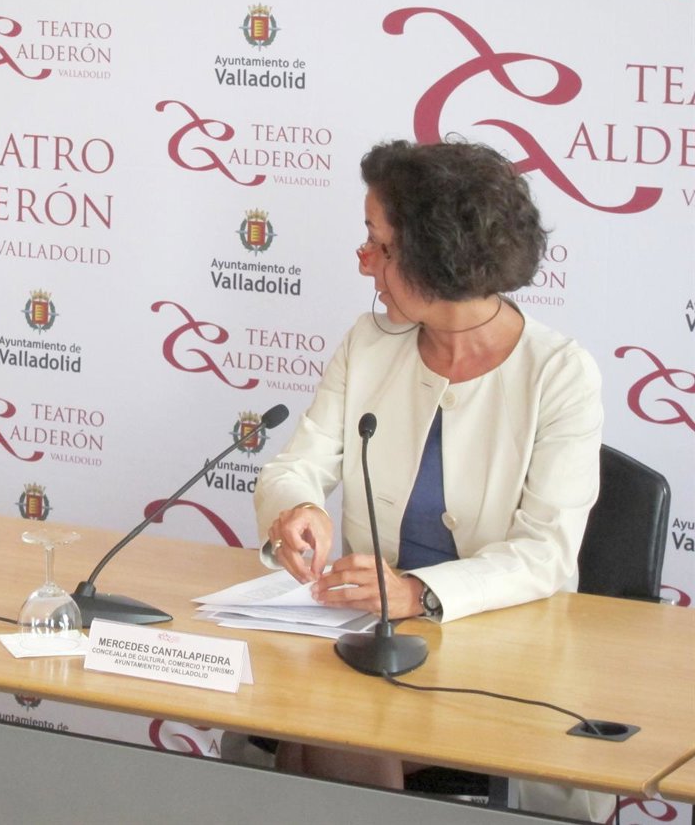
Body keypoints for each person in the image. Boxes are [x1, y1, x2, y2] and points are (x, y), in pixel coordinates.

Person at [253, 139, 605, 820]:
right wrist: (297, 509)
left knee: (327, 729)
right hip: (368, 642)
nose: (362, 260)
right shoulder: (368, 343)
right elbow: (296, 466)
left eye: (378, 243)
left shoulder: (559, 373)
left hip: (502, 653)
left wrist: (418, 592)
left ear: (435, 256)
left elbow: (546, 553)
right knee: (321, 716)